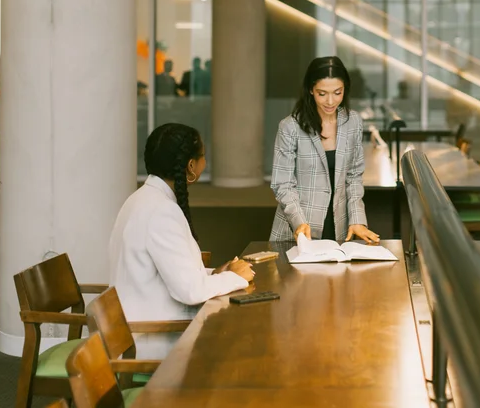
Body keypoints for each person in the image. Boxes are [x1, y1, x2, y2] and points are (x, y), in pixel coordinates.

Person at [109, 123, 255, 359]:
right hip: (152, 340)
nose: (204, 162)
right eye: (203, 156)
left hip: (136, 329)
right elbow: (189, 292)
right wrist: (235, 277)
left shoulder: (140, 199)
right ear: (191, 166)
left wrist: (215, 274)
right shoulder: (161, 211)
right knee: (242, 344)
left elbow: (170, 275)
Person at [270, 56, 380, 243]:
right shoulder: (290, 127)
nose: (330, 101)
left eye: (337, 93)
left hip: (340, 225)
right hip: (300, 227)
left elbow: (353, 176)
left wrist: (357, 219)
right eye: (322, 94)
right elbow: (283, 184)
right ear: (311, 90)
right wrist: (298, 222)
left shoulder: (353, 122)